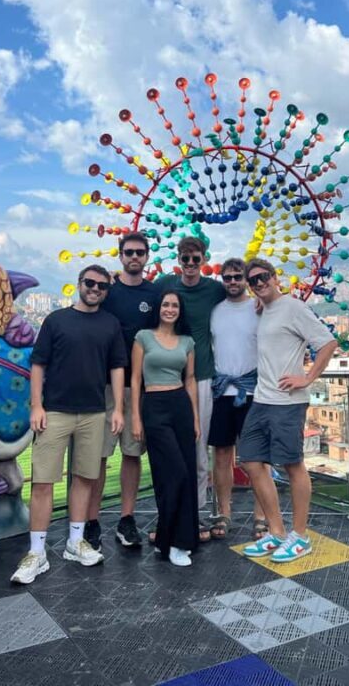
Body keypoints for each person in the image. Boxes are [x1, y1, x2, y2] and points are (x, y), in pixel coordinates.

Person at [11, 266, 127, 584]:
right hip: (56, 411)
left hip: (93, 413)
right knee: (44, 482)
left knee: (85, 478)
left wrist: (117, 408)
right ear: (79, 285)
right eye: (90, 283)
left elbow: (117, 367)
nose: (95, 289)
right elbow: (38, 364)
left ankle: (75, 542)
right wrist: (36, 405)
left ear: (107, 291)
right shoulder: (56, 320)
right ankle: (37, 552)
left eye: (102, 286)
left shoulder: (110, 324)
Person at [238, 258, 337, 563]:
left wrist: (307, 377)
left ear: (274, 276)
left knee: (292, 465)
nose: (259, 283)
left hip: (288, 402)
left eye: (263, 277)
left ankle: (301, 535)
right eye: (252, 280)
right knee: (252, 461)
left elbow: (328, 342)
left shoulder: (293, 307)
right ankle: (277, 531)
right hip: (262, 399)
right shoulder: (264, 309)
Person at [86, 232, 160, 550]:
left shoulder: (154, 294)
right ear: (120, 255)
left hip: (138, 387)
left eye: (139, 252)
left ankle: (127, 518)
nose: (134, 257)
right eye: (128, 252)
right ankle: (91, 520)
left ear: (147, 256)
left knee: (132, 454)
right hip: (103, 386)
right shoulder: (107, 291)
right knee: (99, 456)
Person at [156, 237, 225, 525]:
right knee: (169, 449)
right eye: (186, 259)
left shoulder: (214, 290)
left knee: (198, 448)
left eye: (196, 259)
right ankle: (172, 513)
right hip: (167, 379)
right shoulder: (166, 286)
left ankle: (195, 513)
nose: (191, 265)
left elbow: (240, 300)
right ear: (179, 260)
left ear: (204, 259)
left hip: (201, 378)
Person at [131, 290, 200, 566]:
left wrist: (195, 417)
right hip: (154, 406)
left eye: (174, 305)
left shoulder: (187, 341)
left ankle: (175, 542)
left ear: (180, 310)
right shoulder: (143, 337)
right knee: (172, 474)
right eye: (165, 304)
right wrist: (136, 417)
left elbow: (191, 379)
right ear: (158, 308)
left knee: (187, 473)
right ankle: (170, 540)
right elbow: (135, 379)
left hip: (180, 405)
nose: (170, 309)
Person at [208, 258, 268, 540]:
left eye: (237, 277)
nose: (232, 282)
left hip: (253, 392)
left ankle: (261, 514)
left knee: (256, 456)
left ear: (246, 279)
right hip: (221, 392)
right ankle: (224, 512)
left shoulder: (259, 308)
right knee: (221, 455)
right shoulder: (215, 311)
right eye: (227, 277)